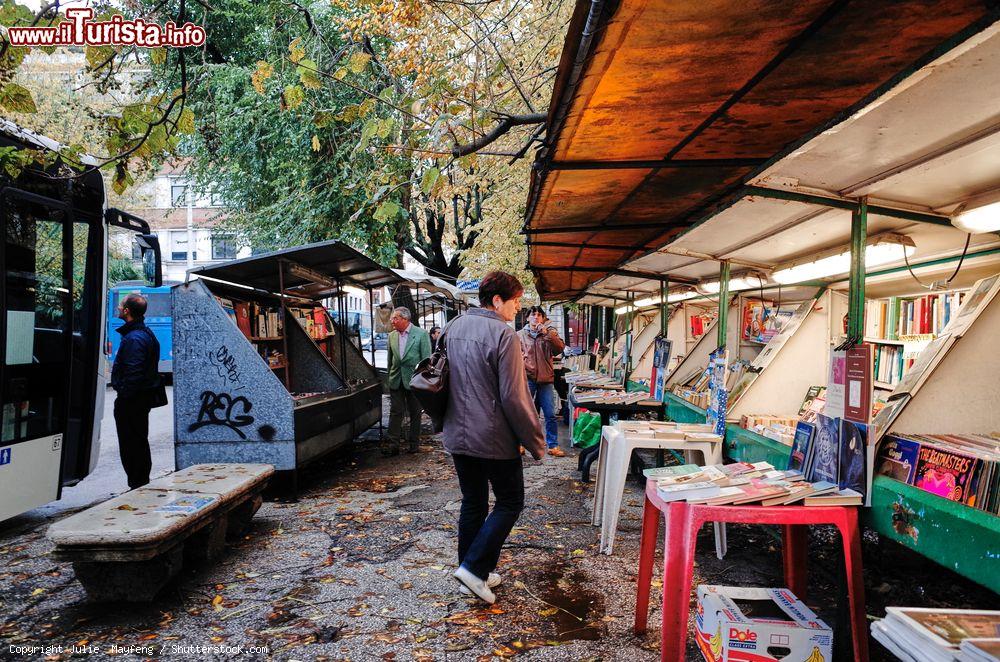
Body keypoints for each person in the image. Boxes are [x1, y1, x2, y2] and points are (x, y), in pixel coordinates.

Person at [443, 271, 545, 604]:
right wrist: (536, 441)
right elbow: (515, 397)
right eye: (515, 301)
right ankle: (473, 569)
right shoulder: (505, 336)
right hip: (493, 438)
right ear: (497, 300)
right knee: (510, 501)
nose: (519, 308)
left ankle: (470, 573)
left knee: (473, 501)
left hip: (458, 433)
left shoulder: (453, 327)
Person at [110, 293, 161, 489]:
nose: (118, 308)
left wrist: (123, 395)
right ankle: (140, 483)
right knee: (138, 441)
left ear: (127, 311)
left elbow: (133, 372)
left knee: (131, 443)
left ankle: (137, 484)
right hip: (140, 399)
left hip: (132, 401)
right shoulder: (145, 334)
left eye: (121, 305)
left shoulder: (134, 338)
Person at [518, 306, 566, 457]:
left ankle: (553, 445)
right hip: (527, 378)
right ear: (527, 318)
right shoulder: (519, 335)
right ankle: (521, 443)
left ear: (543, 318)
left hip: (546, 379)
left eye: (539, 315)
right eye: (533, 315)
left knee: (550, 414)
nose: (536, 317)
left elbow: (559, 348)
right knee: (525, 413)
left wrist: (547, 334)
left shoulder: (549, 333)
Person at [386, 306, 432, 455]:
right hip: (396, 379)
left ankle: (414, 444)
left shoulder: (421, 334)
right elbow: (390, 360)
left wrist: (424, 381)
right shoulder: (392, 336)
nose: (392, 321)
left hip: (414, 380)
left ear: (405, 319)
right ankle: (393, 445)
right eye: (393, 318)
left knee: (415, 412)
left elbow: (426, 360)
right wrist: (390, 377)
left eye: (395, 318)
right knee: (395, 412)